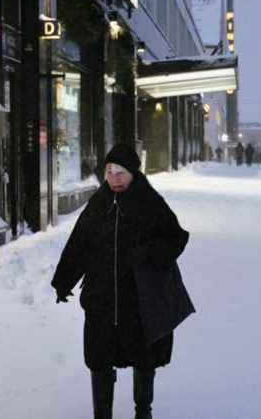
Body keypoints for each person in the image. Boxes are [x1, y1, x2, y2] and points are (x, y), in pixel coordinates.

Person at [52, 144, 191, 419]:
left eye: (120, 172)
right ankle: (102, 414)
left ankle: (143, 411)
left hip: (139, 300)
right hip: (101, 298)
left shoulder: (149, 202)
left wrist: (151, 252)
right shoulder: (99, 203)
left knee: (143, 357)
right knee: (99, 358)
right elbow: (80, 243)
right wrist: (64, 280)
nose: (114, 178)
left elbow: (176, 237)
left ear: (132, 173)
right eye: (109, 171)